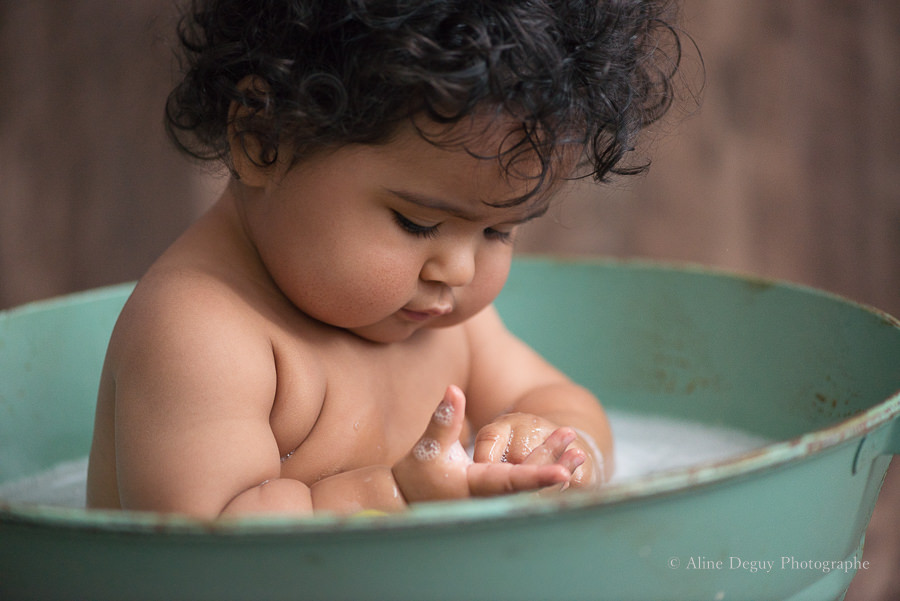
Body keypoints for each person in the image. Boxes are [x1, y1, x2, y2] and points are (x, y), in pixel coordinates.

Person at [86, 0, 683, 518]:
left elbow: (564, 401)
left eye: (498, 231)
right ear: (262, 139)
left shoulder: (444, 320)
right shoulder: (202, 333)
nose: (460, 271)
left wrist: (559, 451)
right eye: (417, 222)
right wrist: (395, 495)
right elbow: (204, 550)